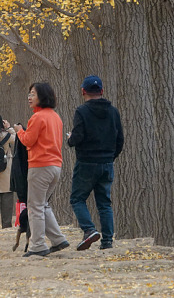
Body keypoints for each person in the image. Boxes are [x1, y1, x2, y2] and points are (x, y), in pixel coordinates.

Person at [67, 75, 124, 251]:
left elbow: (77, 137)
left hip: (86, 162)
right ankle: (107, 241)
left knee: (77, 198)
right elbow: (119, 139)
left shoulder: (82, 111)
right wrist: (110, 156)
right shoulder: (113, 112)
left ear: (83, 91)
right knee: (104, 203)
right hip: (107, 162)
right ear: (102, 91)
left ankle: (89, 229)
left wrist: (69, 139)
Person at [14, 82, 70, 257]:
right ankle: (58, 239)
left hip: (40, 166)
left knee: (35, 207)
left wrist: (19, 131)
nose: (29, 97)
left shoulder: (37, 118)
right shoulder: (56, 117)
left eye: (33, 94)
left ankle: (37, 245)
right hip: (55, 166)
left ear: (42, 96)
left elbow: (28, 140)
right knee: (43, 205)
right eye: (29, 94)